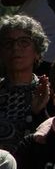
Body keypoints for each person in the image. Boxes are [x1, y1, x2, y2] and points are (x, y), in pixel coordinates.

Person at [0, 16, 50, 152]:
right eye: (8, 43)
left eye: (24, 42)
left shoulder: (49, 93)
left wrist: (40, 112)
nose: (15, 48)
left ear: (37, 52)